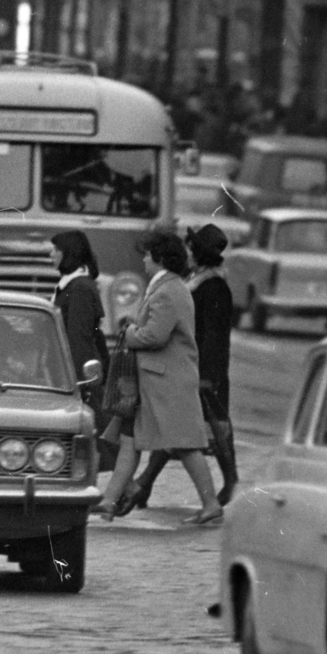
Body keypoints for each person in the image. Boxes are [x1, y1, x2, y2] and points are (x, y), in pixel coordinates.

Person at [93, 231, 224, 526]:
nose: (143, 259)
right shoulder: (167, 287)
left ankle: (211, 503)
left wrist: (129, 333)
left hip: (167, 383)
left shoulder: (168, 291)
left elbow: (154, 335)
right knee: (130, 440)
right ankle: (109, 502)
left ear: (160, 258)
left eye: (147, 254)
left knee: (186, 445)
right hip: (155, 382)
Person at [126, 224, 238, 511]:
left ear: (198, 252)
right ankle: (145, 484)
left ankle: (228, 483)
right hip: (193, 367)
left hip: (203, 371)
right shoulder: (198, 280)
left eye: (190, 247)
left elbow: (215, 335)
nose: (185, 251)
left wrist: (208, 376)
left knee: (205, 429)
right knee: (185, 430)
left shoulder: (213, 286)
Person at [49, 229, 107, 393]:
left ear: (69, 254)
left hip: (76, 379)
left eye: (57, 250)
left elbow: (78, 338)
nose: (51, 254)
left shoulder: (79, 288)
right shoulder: (76, 285)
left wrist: (78, 383)